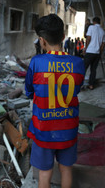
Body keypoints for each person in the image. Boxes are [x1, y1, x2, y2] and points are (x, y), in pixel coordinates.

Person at [25, 14, 85, 188]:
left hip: (43, 129)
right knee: (66, 168)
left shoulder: (36, 62)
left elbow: (29, 91)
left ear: (42, 41)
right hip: (68, 128)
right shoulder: (78, 63)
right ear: (63, 37)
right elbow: (76, 89)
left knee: (45, 172)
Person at [83, 17, 105, 90]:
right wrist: (100, 53)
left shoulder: (91, 27)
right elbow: (103, 44)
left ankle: (79, 83)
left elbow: (88, 38)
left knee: (84, 67)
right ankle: (91, 85)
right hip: (97, 53)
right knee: (93, 69)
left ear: (93, 21)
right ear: (99, 22)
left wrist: (86, 48)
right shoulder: (102, 31)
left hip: (90, 51)